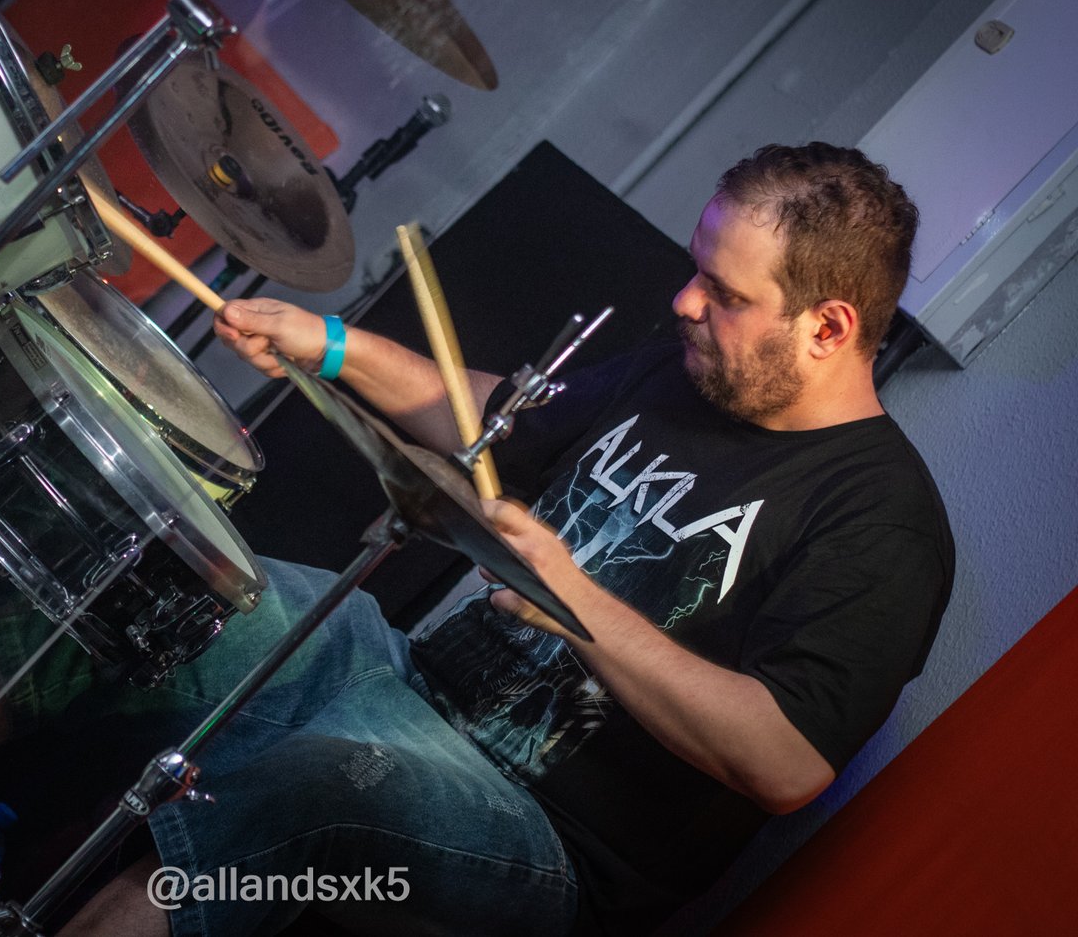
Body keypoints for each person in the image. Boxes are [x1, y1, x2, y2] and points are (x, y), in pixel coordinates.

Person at [48, 141, 954, 935]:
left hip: (541, 838)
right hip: (412, 682)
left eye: (723, 293)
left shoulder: (881, 522)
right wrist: (329, 344)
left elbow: (786, 763)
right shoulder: (688, 372)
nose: (684, 302)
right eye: (696, 272)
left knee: (309, 783)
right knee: (174, 588)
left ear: (828, 327)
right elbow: (494, 422)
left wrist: (574, 600)